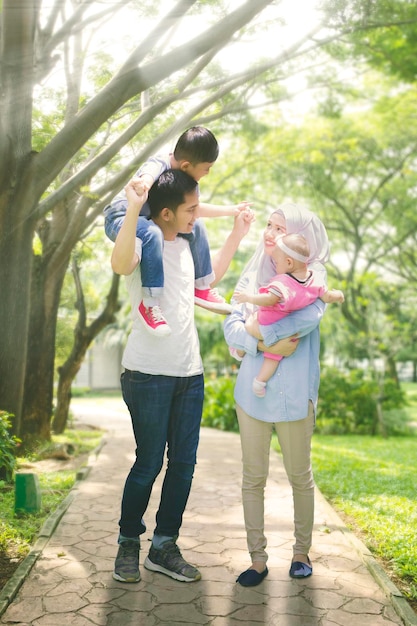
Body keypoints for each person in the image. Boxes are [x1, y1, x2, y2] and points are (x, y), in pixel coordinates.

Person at [111, 169, 253, 585]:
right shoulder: (143, 241)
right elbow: (120, 264)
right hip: (147, 373)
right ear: (168, 212)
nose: (197, 215)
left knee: (184, 465)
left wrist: (237, 235)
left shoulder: (189, 244)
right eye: (192, 209)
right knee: (149, 462)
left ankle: (164, 545)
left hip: (189, 372)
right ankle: (127, 542)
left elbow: (209, 284)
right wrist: (135, 204)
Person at [223, 203, 333, 587]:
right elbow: (231, 327)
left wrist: (256, 328)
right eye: (269, 225)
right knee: (253, 478)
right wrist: (263, 339)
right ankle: (257, 560)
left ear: (300, 238)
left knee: (300, 477)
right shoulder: (253, 275)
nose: (270, 233)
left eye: (280, 227)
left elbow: (304, 320)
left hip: (295, 396)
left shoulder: (310, 279)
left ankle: (301, 553)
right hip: (251, 396)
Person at [104, 126, 251, 336]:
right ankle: (150, 303)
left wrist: (232, 211)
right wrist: (144, 184)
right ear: (186, 165)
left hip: (147, 219)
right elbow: (149, 173)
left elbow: (196, 210)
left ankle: (201, 287)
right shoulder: (161, 162)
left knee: (196, 224)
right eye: (207, 168)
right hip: (122, 216)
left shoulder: (188, 182)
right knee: (152, 233)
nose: (208, 173)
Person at [233, 232, 344, 397]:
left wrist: (248, 297)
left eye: (277, 262)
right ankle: (260, 382)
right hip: (283, 324)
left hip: (264, 321)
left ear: (289, 262)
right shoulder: (316, 280)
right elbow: (327, 297)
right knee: (274, 356)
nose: (275, 266)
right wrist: (339, 295)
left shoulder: (283, 282)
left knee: (248, 317)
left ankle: (239, 349)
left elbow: (269, 299)